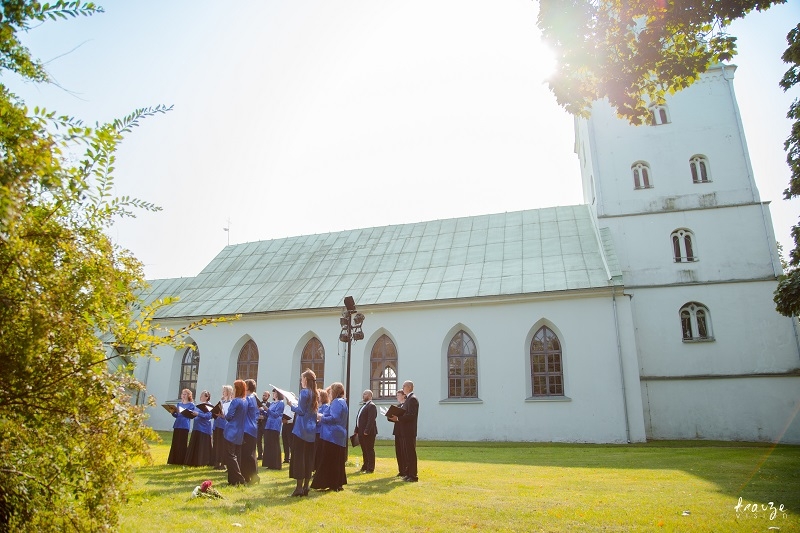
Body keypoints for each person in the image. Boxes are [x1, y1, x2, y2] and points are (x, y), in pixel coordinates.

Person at [311, 381, 348, 492]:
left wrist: (321, 418)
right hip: (338, 435)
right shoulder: (342, 401)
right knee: (337, 461)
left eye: (331, 392)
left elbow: (334, 418)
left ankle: (331, 483)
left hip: (332, 435)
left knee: (329, 460)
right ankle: (337, 483)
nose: (329, 394)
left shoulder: (337, 402)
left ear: (335, 392)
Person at [289, 369, 319, 496]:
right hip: (311, 431)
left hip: (301, 430)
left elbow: (301, 411)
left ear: (305, 380)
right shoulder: (315, 393)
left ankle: (298, 488)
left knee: (299, 458)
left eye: (302, 379)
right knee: (308, 458)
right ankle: (306, 487)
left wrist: (291, 404)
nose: (301, 381)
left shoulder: (304, 392)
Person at [390, 380, 419, 482]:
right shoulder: (408, 399)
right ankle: (408, 473)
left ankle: (413, 475)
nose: (403, 388)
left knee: (411, 453)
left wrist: (398, 418)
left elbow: (411, 415)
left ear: (409, 387)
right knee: (406, 453)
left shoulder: (412, 399)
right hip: (404, 431)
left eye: (404, 386)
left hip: (409, 431)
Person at [223, 380, 247, 485]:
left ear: (237, 389)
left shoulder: (235, 401)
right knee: (237, 456)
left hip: (231, 431)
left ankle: (239, 479)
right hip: (240, 431)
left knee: (230, 456)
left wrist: (223, 414)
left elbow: (229, 416)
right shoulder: (245, 401)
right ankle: (233, 480)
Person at [185, 390, 214, 466]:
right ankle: (193, 461)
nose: (200, 397)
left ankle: (202, 461)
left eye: (202, 395)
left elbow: (208, 416)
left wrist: (198, 414)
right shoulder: (198, 405)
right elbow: (194, 413)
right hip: (196, 427)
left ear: (207, 397)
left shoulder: (209, 406)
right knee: (195, 444)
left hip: (204, 428)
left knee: (202, 446)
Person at [167, 388, 195, 465]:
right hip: (177, 424)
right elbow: (177, 415)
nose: (183, 395)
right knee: (175, 442)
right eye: (182, 394)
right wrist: (173, 413)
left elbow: (190, 415)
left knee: (182, 443)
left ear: (189, 395)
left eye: (185, 394)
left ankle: (181, 460)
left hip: (184, 425)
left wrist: (183, 412)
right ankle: (173, 460)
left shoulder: (191, 405)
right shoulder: (179, 404)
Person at [241, 379, 260, 484]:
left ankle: (250, 476)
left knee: (246, 454)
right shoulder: (253, 397)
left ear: (247, 387)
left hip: (247, 428)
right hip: (252, 427)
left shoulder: (247, 398)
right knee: (250, 453)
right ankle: (251, 475)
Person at [356, 389, 378, 473]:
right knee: (364, 450)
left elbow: (371, 419)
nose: (363, 395)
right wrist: (356, 429)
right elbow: (359, 418)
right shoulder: (364, 406)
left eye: (365, 394)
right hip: (361, 431)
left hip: (368, 432)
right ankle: (365, 465)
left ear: (370, 396)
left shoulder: (372, 406)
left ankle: (370, 468)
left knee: (369, 449)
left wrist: (367, 430)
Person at [262, 389, 284, 470]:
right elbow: (268, 414)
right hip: (269, 425)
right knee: (268, 444)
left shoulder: (280, 403)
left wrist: (267, 409)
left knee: (274, 445)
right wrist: (263, 410)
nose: (273, 394)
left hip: (275, 425)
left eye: (274, 393)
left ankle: (276, 464)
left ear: (278, 394)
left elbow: (276, 414)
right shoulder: (272, 403)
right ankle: (269, 463)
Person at [212, 385, 233, 470]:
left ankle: (223, 463)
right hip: (217, 424)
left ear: (228, 392)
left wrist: (223, 415)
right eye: (223, 391)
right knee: (217, 444)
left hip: (225, 426)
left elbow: (229, 415)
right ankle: (216, 461)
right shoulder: (221, 402)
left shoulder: (231, 402)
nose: (223, 392)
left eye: (224, 391)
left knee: (223, 445)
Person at [389, 389, 407, 477]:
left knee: (404, 451)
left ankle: (406, 470)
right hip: (397, 431)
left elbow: (406, 418)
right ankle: (401, 471)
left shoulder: (406, 405)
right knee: (398, 451)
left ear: (403, 396)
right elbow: (395, 418)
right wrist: (389, 416)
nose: (397, 397)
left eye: (398, 395)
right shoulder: (398, 406)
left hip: (404, 431)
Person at [314, 388, 330, 473]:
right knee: (315, 451)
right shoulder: (318, 406)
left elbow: (324, 417)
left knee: (319, 451)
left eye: (319, 396)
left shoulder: (326, 406)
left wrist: (317, 418)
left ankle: (319, 470)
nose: (317, 397)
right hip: (315, 431)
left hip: (321, 431)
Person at [257, 390, 270, 460]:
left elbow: (270, 415)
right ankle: (260, 455)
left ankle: (265, 455)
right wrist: (258, 417)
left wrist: (264, 417)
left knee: (266, 441)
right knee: (258, 440)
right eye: (263, 395)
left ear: (268, 397)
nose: (264, 396)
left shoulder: (270, 405)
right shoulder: (259, 404)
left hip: (265, 424)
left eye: (265, 395)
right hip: (259, 424)